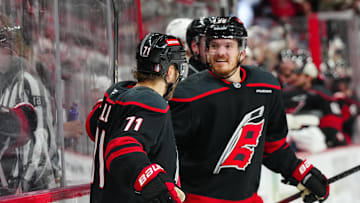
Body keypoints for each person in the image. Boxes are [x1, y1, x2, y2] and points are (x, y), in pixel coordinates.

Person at [169, 16, 329, 203]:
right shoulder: (186, 94)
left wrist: (300, 171)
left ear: (242, 50)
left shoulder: (266, 86)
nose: (221, 53)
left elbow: (273, 147)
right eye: (214, 46)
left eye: (228, 46)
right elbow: (162, 151)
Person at [86, 33, 187, 203]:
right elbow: (122, 149)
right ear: (170, 72)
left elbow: (92, 126)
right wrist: (161, 188)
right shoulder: (151, 101)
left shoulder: (117, 92)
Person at [0, 13, 59, 194]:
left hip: (32, 191)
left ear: (7, 46)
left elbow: (42, 142)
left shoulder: (27, 82)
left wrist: (22, 185)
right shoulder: (3, 84)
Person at [283, 58, 347, 148]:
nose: (295, 77)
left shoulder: (320, 93)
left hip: (312, 134)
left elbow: (334, 116)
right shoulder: (288, 92)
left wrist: (331, 133)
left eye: (298, 74)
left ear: (308, 77)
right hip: (288, 131)